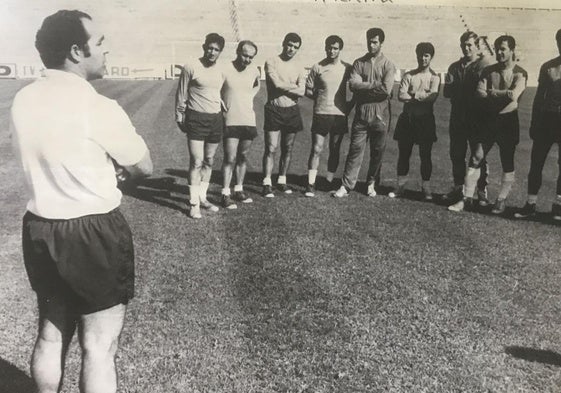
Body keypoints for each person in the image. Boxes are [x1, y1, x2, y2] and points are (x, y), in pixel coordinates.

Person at [10, 10, 153, 393]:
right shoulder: (98, 107)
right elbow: (143, 166)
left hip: (40, 228)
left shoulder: (22, 100)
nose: (106, 49)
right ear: (76, 51)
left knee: (51, 337)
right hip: (93, 231)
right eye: (100, 42)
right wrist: (118, 174)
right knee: (99, 347)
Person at [449, 35, 527, 214]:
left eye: (503, 49)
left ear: (512, 50)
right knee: (476, 156)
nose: (499, 52)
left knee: (507, 160)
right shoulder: (489, 71)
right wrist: (502, 94)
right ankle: (466, 198)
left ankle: (501, 200)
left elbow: (514, 97)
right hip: (489, 120)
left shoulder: (520, 73)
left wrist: (493, 93)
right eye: (497, 48)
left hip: (508, 121)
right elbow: (479, 93)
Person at [333, 27, 396, 198]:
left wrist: (365, 88)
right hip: (362, 112)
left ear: (381, 43)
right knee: (355, 149)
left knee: (377, 151)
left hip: (380, 112)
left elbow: (386, 90)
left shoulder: (388, 65)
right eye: (369, 41)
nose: (371, 44)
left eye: (375, 42)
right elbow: (353, 85)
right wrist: (374, 85)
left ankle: (371, 182)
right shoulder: (359, 62)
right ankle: (346, 185)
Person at [175, 33, 225, 218]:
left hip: (215, 119)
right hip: (196, 118)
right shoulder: (191, 66)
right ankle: (193, 203)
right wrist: (179, 116)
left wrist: (222, 103)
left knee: (209, 160)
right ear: (204, 47)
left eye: (216, 50)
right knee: (196, 161)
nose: (212, 52)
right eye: (210, 48)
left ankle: (203, 198)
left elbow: (221, 90)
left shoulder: (222, 69)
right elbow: (181, 94)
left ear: (220, 52)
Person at [515, 29, 561, 220]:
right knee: (536, 163)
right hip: (546, 120)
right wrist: (534, 122)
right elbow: (538, 97)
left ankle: (558, 206)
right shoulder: (548, 67)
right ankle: (530, 203)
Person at [443, 31, 492, 205]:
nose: (466, 48)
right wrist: (464, 90)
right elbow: (447, 92)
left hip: (477, 117)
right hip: (458, 116)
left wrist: (462, 90)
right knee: (456, 153)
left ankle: (481, 190)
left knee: (478, 155)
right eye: (464, 45)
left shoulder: (485, 65)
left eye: (470, 45)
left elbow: (482, 93)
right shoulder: (454, 67)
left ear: (477, 46)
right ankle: (458, 188)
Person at [389, 42, 440, 200]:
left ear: (431, 57)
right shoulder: (409, 75)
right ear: (416, 55)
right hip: (408, 119)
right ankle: (400, 186)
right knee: (404, 154)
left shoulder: (434, 77)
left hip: (425, 120)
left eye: (426, 55)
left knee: (426, 155)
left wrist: (413, 95)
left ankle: (426, 188)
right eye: (420, 55)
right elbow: (401, 95)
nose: (423, 58)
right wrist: (420, 95)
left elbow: (432, 97)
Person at [304, 35, 353, 197]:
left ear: (340, 49)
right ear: (325, 48)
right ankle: (310, 183)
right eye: (329, 48)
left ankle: (329, 180)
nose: (331, 51)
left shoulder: (347, 68)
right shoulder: (317, 67)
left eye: (335, 48)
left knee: (335, 149)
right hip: (321, 113)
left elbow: (356, 88)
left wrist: (349, 106)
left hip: (339, 115)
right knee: (316, 148)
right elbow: (308, 90)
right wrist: (316, 95)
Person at [262, 33, 306, 198]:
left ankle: (281, 179)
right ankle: (267, 182)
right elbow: (276, 84)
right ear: (283, 43)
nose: (291, 49)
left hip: (292, 111)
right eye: (289, 45)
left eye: (295, 47)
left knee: (287, 148)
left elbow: (303, 91)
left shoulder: (300, 67)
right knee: (271, 148)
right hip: (274, 109)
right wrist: (293, 86)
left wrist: (286, 86)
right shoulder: (272, 61)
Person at [220, 40, 261, 209]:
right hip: (231, 119)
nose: (247, 60)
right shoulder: (225, 69)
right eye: (245, 55)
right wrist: (220, 102)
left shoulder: (254, 71)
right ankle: (225, 193)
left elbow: (257, 85)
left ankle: (238, 189)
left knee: (243, 157)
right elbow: (215, 88)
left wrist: (249, 96)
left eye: (251, 57)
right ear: (237, 52)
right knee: (230, 158)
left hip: (248, 119)